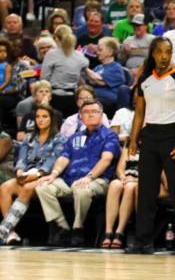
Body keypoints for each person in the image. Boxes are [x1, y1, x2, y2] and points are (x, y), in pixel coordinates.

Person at [128, 37, 175, 256]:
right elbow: (139, 113)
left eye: (168, 52)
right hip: (150, 137)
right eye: (160, 52)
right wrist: (133, 139)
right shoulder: (145, 79)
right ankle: (143, 241)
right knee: (146, 192)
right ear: (153, 54)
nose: (164, 56)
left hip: (173, 136)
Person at [36, 99, 120, 247]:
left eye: (94, 112)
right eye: (86, 112)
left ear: (102, 115)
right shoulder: (74, 137)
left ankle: (78, 228)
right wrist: (54, 174)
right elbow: (63, 157)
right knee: (42, 186)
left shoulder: (110, 136)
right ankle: (62, 227)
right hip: (69, 179)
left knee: (81, 189)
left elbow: (106, 159)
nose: (90, 115)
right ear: (80, 116)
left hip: (98, 180)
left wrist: (89, 177)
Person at [0, 104, 65, 245]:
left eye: (44, 117)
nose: (40, 120)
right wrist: (19, 172)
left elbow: (52, 161)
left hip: (45, 176)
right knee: (5, 186)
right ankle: (11, 233)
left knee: (28, 187)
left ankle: (3, 229)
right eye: (37, 117)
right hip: (26, 174)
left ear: (51, 119)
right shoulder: (29, 137)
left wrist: (36, 175)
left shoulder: (60, 139)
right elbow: (22, 159)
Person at [41, 25, 89, 117]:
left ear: (56, 38)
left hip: (54, 98)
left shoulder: (51, 54)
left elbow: (44, 78)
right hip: (73, 98)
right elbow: (86, 63)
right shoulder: (79, 56)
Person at [100, 137, 138, 249]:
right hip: (126, 177)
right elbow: (120, 168)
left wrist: (135, 179)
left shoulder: (155, 143)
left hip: (141, 181)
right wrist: (122, 177)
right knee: (114, 184)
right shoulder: (130, 142)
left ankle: (119, 232)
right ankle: (108, 231)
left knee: (130, 187)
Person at [85, 37, 127, 114]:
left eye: (100, 50)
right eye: (97, 50)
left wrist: (83, 66)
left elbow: (99, 80)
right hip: (94, 97)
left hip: (107, 101)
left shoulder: (116, 68)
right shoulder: (98, 67)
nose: (97, 52)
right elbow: (90, 81)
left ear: (110, 52)